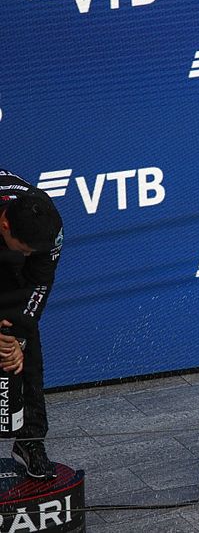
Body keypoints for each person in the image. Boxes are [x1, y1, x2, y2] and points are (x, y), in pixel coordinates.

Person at [0, 170, 63, 479]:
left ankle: (30, 441)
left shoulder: (48, 223)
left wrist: (16, 339)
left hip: (13, 278)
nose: (28, 254)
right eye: (23, 247)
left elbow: (39, 285)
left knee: (26, 342)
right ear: (5, 224)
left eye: (32, 251)